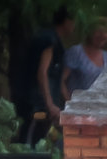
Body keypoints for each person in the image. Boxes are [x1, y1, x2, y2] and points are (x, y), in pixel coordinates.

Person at [14, 7, 74, 146]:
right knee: (30, 143)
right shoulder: (49, 41)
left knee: (42, 142)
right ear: (66, 22)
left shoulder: (55, 41)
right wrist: (49, 104)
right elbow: (42, 72)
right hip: (37, 105)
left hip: (43, 104)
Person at [62, 17, 107, 101]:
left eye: (105, 32)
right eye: (98, 32)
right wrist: (69, 103)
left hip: (101, 109)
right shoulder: (76, 52)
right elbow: (61, 81)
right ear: (89, 33)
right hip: (78, 109)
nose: (102, 35)